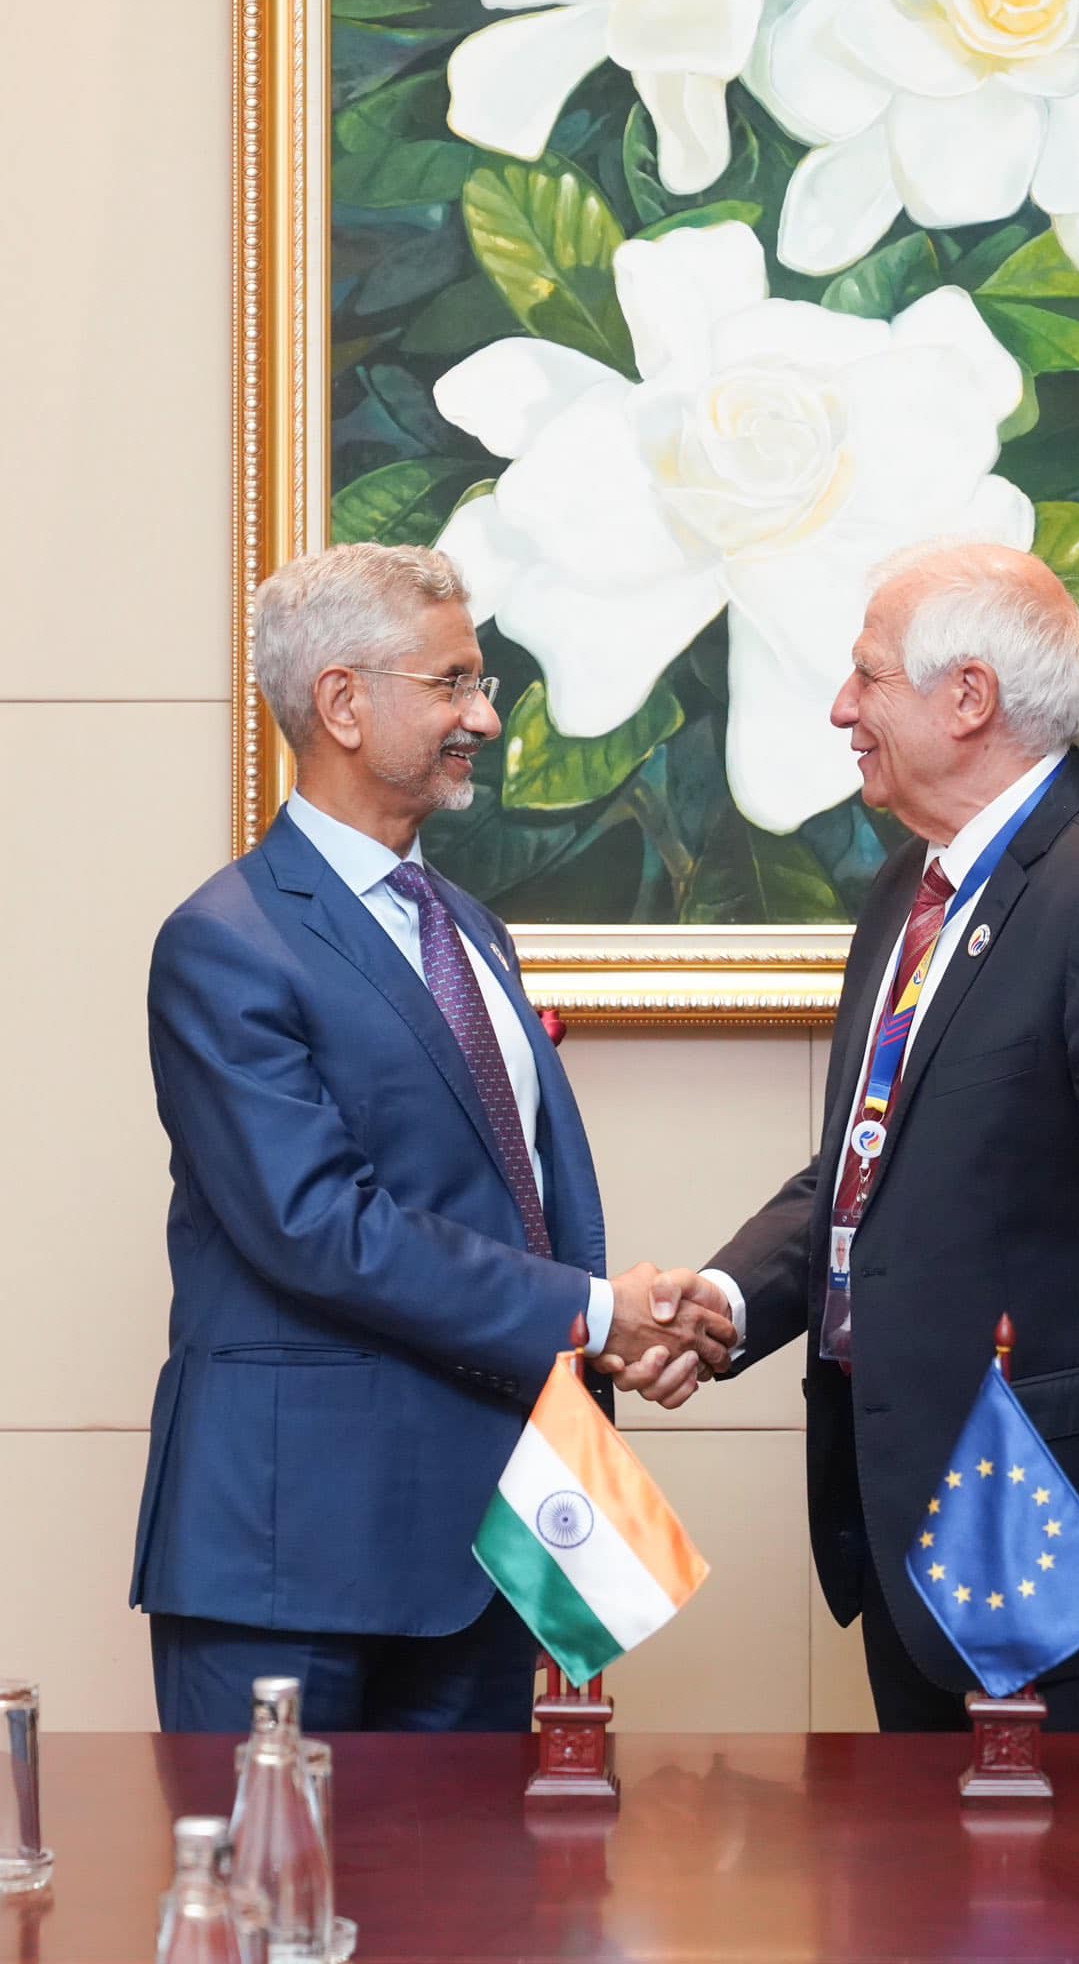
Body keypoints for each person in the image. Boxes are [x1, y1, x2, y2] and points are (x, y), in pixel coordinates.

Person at [614, 541, 1079, 1733]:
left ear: (967, 698)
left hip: (1070, 1551)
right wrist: (727, 1298)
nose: (839, 708)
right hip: (912, 1533)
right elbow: (872, 1162)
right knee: (919, 1912)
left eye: (866, 677)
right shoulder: (912, 890)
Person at [131, 541, 734, 1734]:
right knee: (279, 1912)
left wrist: (610, 1324)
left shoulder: (467, 925)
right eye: (454, 682)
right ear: (342, 702)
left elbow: (501, 1196)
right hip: (291, 1556)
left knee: (477, 1917)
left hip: (484, 1545)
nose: (488, 717)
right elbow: (320, 1228)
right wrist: (601, 1312)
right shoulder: (225, 943)